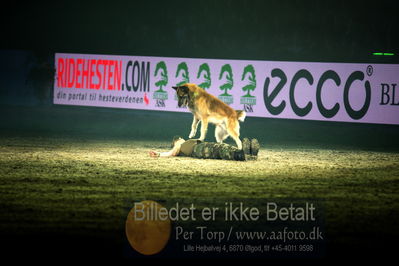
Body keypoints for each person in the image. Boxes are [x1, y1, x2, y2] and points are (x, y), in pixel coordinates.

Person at [149, 137, 260, 161]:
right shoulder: (178, 145)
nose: (183, 139)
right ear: (177, 140)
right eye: (181, 139)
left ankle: (246, 154)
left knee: (222, 148)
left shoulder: (183, 146)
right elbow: (172, 153)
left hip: (202, 147)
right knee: (220, 150)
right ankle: (242, 155)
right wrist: (159, 154)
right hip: (199, 149)